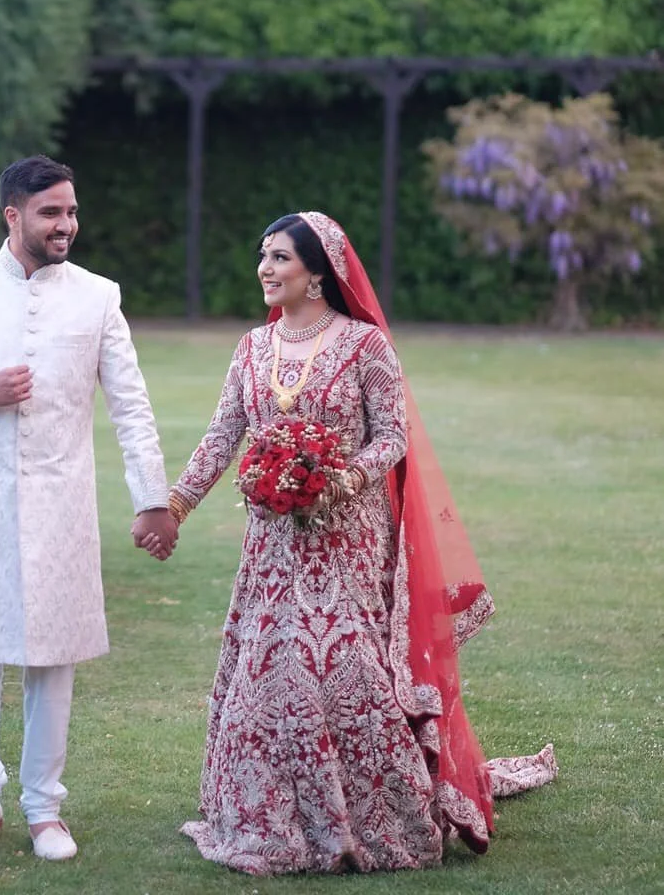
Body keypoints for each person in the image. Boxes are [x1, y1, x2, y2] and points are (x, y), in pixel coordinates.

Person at [148, 211, 556, 876]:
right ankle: (268, 820)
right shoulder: (252, 349)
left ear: (317, 273)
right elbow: (224, 436)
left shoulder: (365, 346)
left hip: (349, 543)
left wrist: (342, 480)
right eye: (263, 256)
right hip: (272, 551)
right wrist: (174, 506)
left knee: (351, 676)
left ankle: (376, 818)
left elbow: (393, 437)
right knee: (269, 678)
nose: (266, 269)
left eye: (280, 258)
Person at [0, 155, 178, 862]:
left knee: (53, 657)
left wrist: (152, 500)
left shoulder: (98, 296)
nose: (67, 225)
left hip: (61, 502)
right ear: (12, 216)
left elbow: (132, 406)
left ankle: (46, 811)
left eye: (72, 212)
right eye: (51, 213)